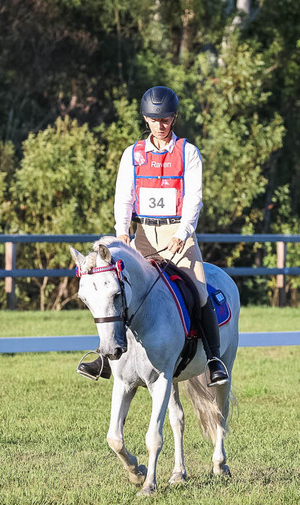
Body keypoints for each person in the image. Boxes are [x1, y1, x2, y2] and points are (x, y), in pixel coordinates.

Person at [77, 86, 229, 387]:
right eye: (154, 120)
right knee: (116, 293)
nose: (160, 126)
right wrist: (122, 233)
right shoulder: (132, 154)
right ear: (146, 120)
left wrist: (184, 233)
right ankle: (105, 360)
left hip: (177, 234)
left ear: (174, 119)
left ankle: (213, 360)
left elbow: (194, 199)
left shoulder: (188, 153)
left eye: (166, 120)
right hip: (142, 236)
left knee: (199, 293)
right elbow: (124, 197)